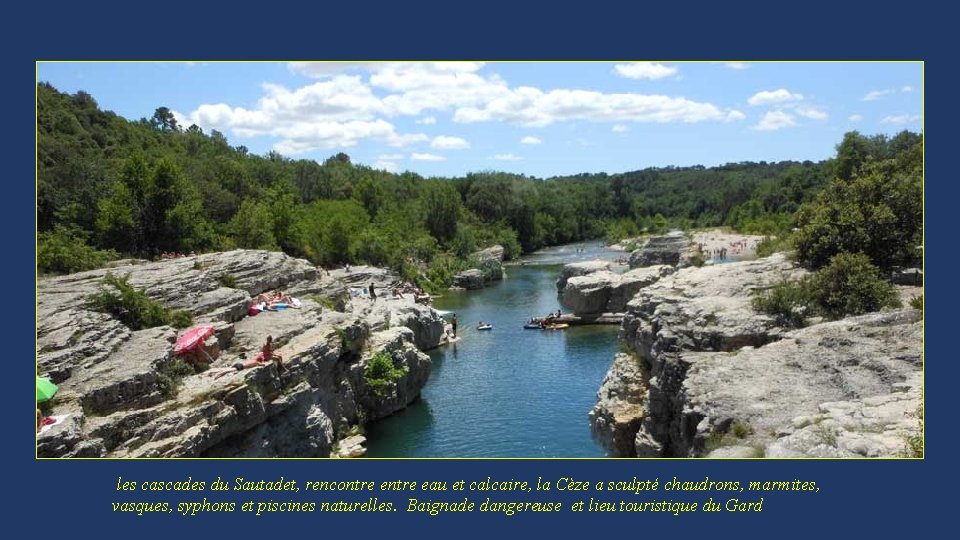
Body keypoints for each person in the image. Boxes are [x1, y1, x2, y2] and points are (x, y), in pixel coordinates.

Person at [210, 335, 284, 379]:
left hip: (241, 364)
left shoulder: (255, 359)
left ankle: (215, 372)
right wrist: (262, 364)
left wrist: (262, 363)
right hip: (241, 366)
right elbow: (258, 363)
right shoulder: (256, 362)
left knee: (228, 369)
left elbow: (259, 360)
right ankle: (217, 374)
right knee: (228, 370)